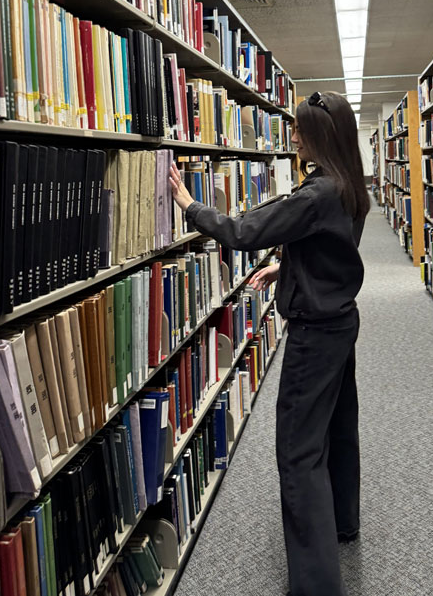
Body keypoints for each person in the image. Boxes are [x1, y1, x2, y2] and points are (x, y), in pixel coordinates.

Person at [169, 90, 369, 596]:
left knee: (298, 454)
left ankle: (317, 585)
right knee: (339, 428)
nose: (294, 136)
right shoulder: (348, 186)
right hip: (342, 321)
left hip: (315, 334)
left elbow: (241, 232)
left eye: (300, 129)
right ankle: (343, 523)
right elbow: (335, 246)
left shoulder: (314, 194)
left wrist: (190, 205)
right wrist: (292, 266)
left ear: (319, 136)